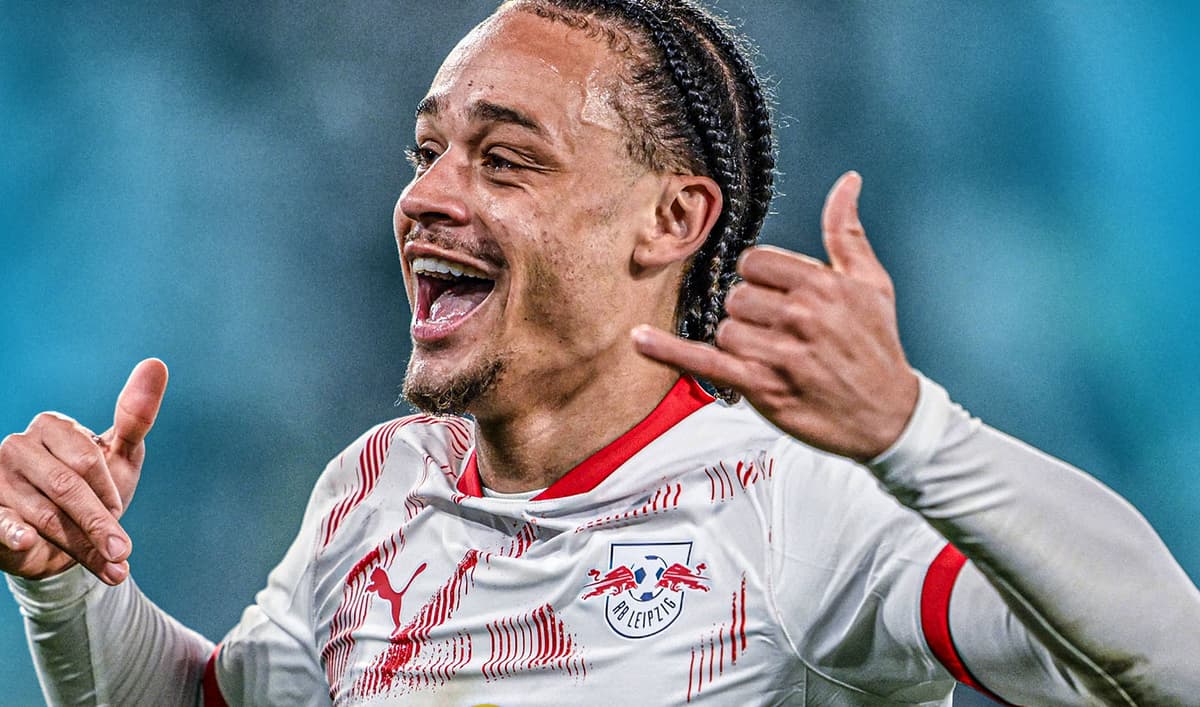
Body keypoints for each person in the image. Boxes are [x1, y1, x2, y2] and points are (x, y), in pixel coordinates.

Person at [2, 0, 1198, 704]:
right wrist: (66, 582)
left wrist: (915, 434)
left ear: (670, 220)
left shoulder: (800, 500)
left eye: (504, 159)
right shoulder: (375, 485)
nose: (425, 197)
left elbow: (1173, 664)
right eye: (426, 152)